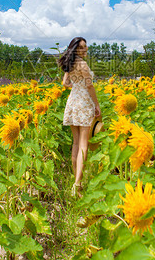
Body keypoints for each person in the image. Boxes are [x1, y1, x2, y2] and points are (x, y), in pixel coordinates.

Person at [58, 37, 101, 196]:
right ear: (75, 49)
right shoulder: (82, 64)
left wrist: (76, 87)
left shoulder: (70, 64)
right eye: (82, 47)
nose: (85, 49)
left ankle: (76, 181)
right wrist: (96, 105)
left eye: (85, 46)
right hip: (83, 103)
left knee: (76, 143)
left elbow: (64, 83)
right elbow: (90, 86)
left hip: (72, 102)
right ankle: (77, 184)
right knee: (84, 143)